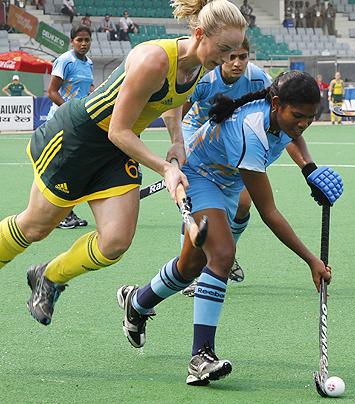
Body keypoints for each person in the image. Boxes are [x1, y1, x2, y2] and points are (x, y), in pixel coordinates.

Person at [0, 0, 247, 327]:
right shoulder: (154, 60)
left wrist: (177, 141)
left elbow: (173, 101)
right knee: (36, 227)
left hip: (117, 151)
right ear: (200, 34)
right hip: (80, 139)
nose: (229, 57)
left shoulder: (200, 63)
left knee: (115, 241)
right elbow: (118, 129)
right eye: (225, 48)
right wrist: (165, 168)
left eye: (236, 49)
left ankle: (49, 277)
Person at [117, 71, 343, 385]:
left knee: (189, 267)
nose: (303, 124)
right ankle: (201, 357)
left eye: (310, 117)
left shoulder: (281, 118)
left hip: (225, 181)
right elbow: (270, 212)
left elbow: (292, 135)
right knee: (222, 255)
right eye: (298, 116)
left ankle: (137, 302)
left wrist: (309, 168)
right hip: (197, 175)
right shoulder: (251, 131)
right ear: (276, 104)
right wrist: (312, 261)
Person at [180, 36, 272, 294]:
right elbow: (180, 109)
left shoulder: (258, 78)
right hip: (196, 134)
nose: (236, 63)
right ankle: (188, 267)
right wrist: (178, 147)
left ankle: (227, 251)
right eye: (231, 57)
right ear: (221, 57)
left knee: (244, 204)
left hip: (230, 140)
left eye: (242, 57)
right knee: (200, 204)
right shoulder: (206, 79)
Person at [46, 25, 94, 229]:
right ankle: (58, 215)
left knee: (75, 166)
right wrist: (70, 111)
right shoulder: (65, 60)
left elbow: (88, 88)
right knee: (63, 166)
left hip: (79, 123)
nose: (83, 43)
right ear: (71, 41)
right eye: (79, 40)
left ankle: (66, 212)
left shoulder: (89, 63)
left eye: (87, 40)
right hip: (61, 122)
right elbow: (52, 92)